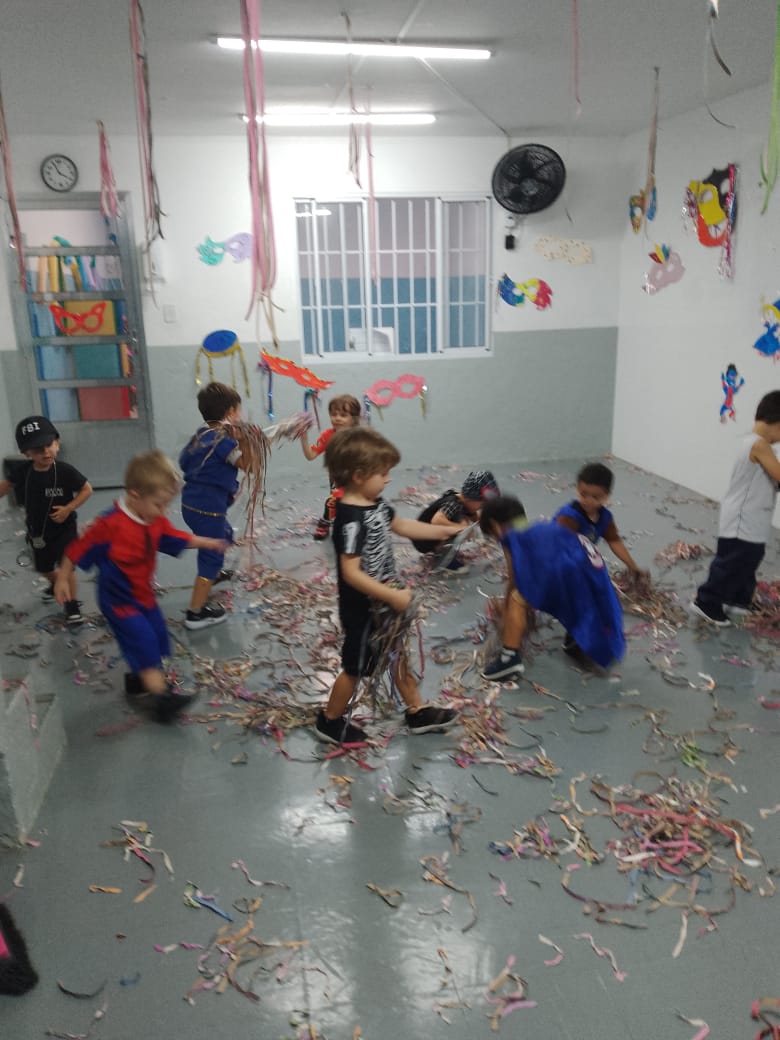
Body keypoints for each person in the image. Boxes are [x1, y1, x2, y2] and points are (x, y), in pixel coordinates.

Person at [54, 450, 228, 722]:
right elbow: (77, 550)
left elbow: (173, 537)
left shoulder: (153, 519)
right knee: (143, 640)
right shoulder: (110, 525)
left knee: (158, 636)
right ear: (134, 495)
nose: (164, 512)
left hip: (143, 595)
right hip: (118, 601)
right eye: (159, 504)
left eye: (166, 505)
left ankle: (139, 681)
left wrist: (206, 542)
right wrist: (63, 577)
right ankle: (163, 702)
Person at [315, 426, 461, 744]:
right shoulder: (350, 519)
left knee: (397, 653)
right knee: (355, 668)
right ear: (358, 476)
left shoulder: (377, 505)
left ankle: (417, 710)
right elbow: (351, 573)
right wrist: (392, 596)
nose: (388, 479)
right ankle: (329, 720)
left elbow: (402, 525)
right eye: (382, 473)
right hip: (363, 610)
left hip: (384, 601)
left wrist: (442, 532)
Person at [479, 495, 626, 678]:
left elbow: (515, 579)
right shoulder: (540, 526)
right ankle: (576, 639)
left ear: (495, 525)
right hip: (593, 570)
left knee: (518, 598)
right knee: (578, 598)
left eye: (492, 535)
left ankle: (509, 659)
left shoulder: (511, 537)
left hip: (566, 571)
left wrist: (507, 612)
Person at [692, 390, 780, 626]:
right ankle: (706, 601)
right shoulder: (759, 445)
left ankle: (738, 599)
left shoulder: (760, 445)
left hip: (755, 517)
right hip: (742, 518)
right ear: (775, 422)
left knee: (750, 559)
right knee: (732, 562)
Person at [0, 415, 92, 624]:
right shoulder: (23, 472)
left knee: (67, 567)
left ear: (57, 443)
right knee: (43, 568)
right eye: (37, 449)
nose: (45, 452)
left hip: (65, 529)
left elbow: (87, 489)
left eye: (49, 445)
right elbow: (5, 486)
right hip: (39, 532)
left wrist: (69, 508)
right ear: (26, 453)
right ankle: (55, 583)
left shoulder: (65, 471)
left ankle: (72, 605)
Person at [554, 461, 647, 659]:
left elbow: (614, 541)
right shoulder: (569, 517)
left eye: (595, 497)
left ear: (607, 496)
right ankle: (573, 642)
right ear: (577, 489)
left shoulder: (605, 517)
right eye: (583, 494)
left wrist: (632, 567)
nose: (587, 501)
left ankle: (583, 636)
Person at [179, 382, 244, 630]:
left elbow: (183, 461)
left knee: (224, 534)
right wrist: (246, 442)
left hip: (190, 504)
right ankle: (195, 613)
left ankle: (214, 575)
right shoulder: (224, 443)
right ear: (230, 412)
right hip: (209, 511)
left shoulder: (200, 435)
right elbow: (247, 465)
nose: (240, 415)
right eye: (238, 410)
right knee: (211, 554)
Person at [412, 470, 500, 576]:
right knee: (464, 527)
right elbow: (437, 520)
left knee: (466, 525)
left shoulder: (464, 503)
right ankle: (447, 561)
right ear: (471, 498)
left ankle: (442, 550)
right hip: (423, 539)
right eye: (481, 504)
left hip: (426, 534)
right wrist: (461, 528)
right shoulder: (453, 504)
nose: (482, 507)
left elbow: (476, 519)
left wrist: (490, 529)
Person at [300, 394, 361, 540]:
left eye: (343, 415)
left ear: (354, 418)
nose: (337, 418)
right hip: (337, 478)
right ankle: (325, 522)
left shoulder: (360, 437)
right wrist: (304, 438)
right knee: (334, 500)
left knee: (356, 502)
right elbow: (310, 456)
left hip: (357, 477)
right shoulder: (327, 436)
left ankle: (356, 524)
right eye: (334, 414)